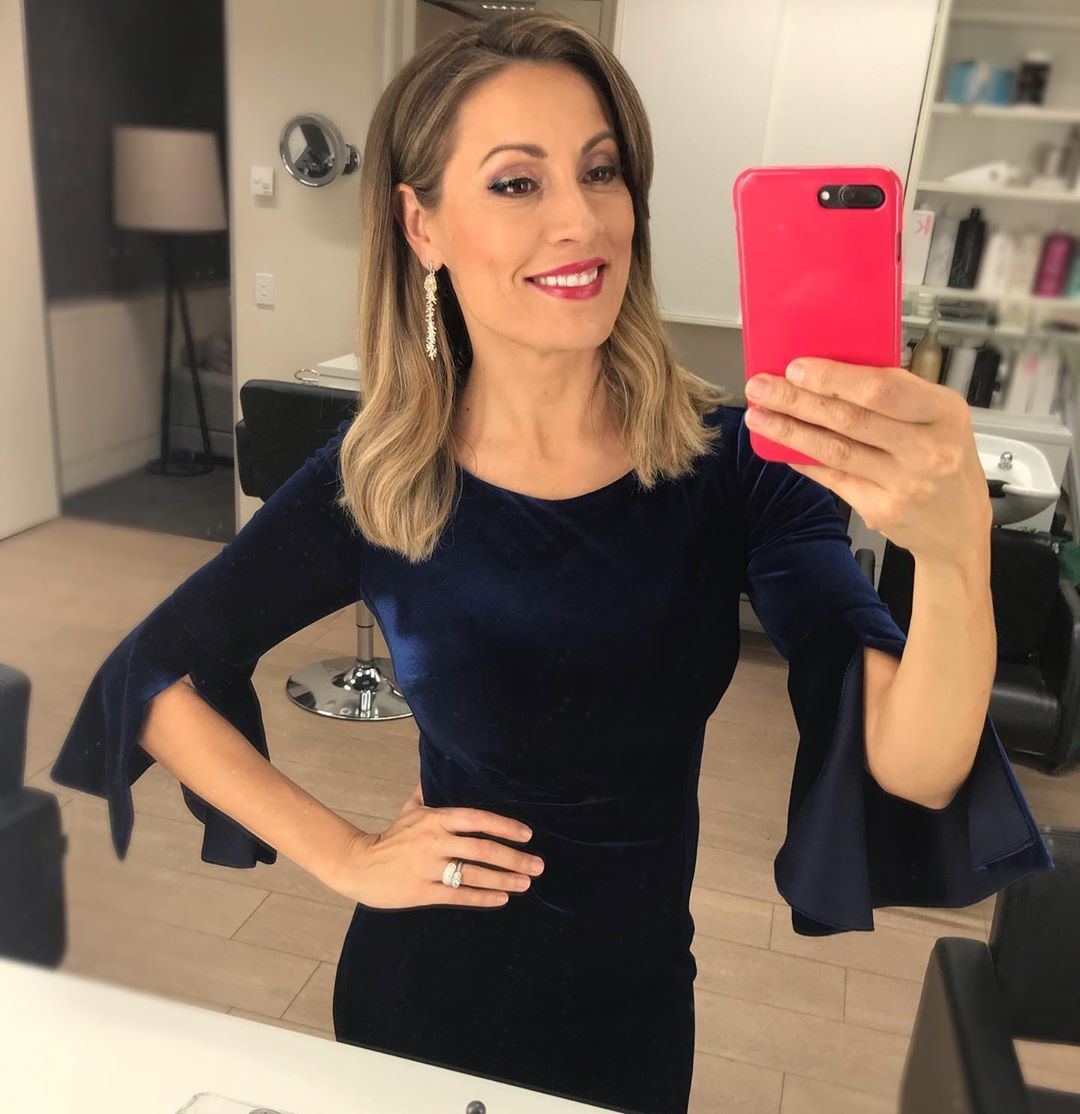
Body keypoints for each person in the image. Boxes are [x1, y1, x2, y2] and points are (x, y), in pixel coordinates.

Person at [50, 12, 1053, 1114]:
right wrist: (343, 854)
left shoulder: (733, 469)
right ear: (422, 223)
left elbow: (917, 768)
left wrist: (955, 553)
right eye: (517, 183)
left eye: (602, 170)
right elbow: (150, 673)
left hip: (633, 1015)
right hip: (418, 1001)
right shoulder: (382, 475)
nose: (582, 220)